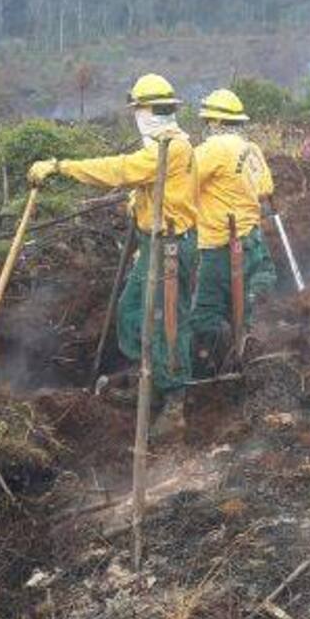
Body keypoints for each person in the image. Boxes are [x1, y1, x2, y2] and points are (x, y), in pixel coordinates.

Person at [28, 74, 198, 432]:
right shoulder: (164, 146)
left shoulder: (170, 146)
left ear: (149, 111)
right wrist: (139, 202)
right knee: (133, 310)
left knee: (168, 321)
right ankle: (150, 378)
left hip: (171, 245)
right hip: (155, 242)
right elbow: (147, 183)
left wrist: (62, 167)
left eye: (142, 109)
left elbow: (119, 169)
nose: (140, 116)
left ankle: (174, 401)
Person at [190, 88, 278, 372]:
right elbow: (265, 188)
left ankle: (207, 370)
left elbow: (181, 182)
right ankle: (245, 347)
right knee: (248, 297)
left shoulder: (213, 148)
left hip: (219, 245)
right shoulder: (251, 148)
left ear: (214, 122)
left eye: (207, 122)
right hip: (251, 238)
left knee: (206, 313)